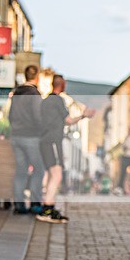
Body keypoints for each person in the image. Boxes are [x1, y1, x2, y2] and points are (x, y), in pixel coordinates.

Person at [37, 75, 95, 223]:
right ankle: (47, 210)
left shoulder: (44, 101)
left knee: (51, 174)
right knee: (57, 175)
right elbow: (68, 120)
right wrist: (84, 116)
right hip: (53, 141)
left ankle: (47, 207)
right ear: (62, 85)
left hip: (44, 140)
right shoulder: (58, 100)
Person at [8, 65, 45, 215]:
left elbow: (10, 116)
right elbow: (38, 116)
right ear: (37, 77)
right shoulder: (34, 94)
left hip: (15, 136)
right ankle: (35, 204)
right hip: (31, 137)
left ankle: (19, 205)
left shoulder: (16, 93)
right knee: (39, 169)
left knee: (21, 171)